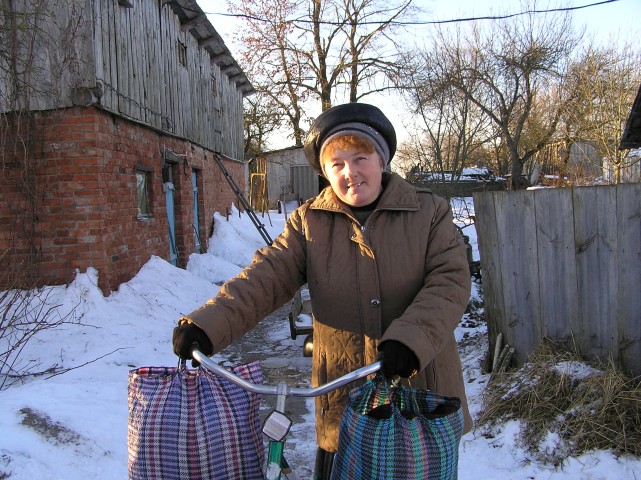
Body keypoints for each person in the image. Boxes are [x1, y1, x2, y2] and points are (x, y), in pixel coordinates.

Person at [173, 102, 472, 479]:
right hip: (342, 400)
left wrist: (410, 342)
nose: (351, 172)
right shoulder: (308, 222)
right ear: (326, 172)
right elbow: (266, 277)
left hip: (417, 395)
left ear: (381, 160)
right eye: (337, 163)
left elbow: (450, 283)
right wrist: (205, 325)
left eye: (360, 157)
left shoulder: (430, 212)